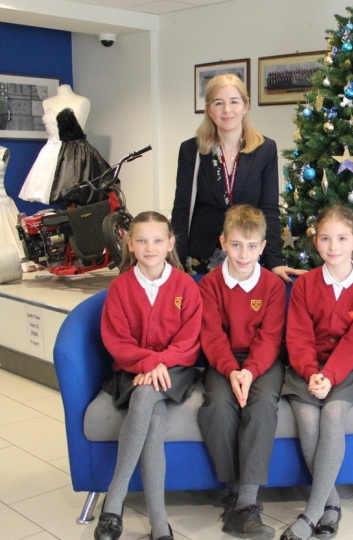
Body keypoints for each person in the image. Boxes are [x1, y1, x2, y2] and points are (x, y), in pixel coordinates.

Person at [95, 212, 203, 540]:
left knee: (146, 395)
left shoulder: (185, 285)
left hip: (176, 370)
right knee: (152, 416)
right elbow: (117, 340)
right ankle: (159, 522)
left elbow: (190, 339)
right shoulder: (121, 287)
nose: (150, 247)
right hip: (133, 370)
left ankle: (114, 502)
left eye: (158, 240)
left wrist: (161, 363)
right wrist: (147, 364)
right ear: (130, 243)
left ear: (170, 243)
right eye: (141, 240)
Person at [280, 206, 353, 540]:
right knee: (308, 419)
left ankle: (311, 513)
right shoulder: (306, 285)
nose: (333, 246)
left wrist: (331, 376)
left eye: (341, 238)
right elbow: (298, 336)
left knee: (334, 415)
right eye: (325, 238)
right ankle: (332, 504)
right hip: (304, 369)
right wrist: (312, 373)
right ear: (316, 242)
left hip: (343, 369)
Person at [198, 205, 287, 540]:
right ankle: (235, 494)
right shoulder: (209, 285)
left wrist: (249, 372)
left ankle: (246, 503)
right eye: (236, 245)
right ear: (223, 243)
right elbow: (211, 334)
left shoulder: (272, 287)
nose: (243, 254)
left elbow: (270, 337)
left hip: (262, 361)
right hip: (222, 360)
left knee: (262, 406)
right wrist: (231, 371)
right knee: (218, 407)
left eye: (251, 246)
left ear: (263, 246)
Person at [172, 74, 302, 282]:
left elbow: (269, 209)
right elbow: (181, 209)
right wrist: (175, 263)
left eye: (234, 101)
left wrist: (274, 261)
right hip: (201, 259)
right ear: (209, 110)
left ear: (246, 105)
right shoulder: (191, 150)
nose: (227, 110)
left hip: (247, 257)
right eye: (218, 103)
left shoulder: (265, 149)